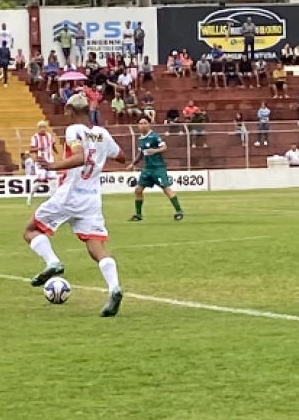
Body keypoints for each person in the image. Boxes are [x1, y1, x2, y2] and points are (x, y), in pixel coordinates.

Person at [23, 94, 129, 317]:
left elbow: (80, 157)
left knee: (31, 230)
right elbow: (121, 157)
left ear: (71, 111)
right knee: (96, 249)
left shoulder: (73, 130)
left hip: (69, 194)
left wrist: (53, 166)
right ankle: (114, 288)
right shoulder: (103, 134)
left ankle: (53, 262)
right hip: (91, 199)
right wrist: (101, 153)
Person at [126, 117, 185, 222]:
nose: (142, 125)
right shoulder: (140, 139)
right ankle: (138, 215)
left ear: (149, 125)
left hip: (158, 168)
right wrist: (132, 164)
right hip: (147, 169)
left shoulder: (154, 136)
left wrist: (154, 150)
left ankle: (179, 211)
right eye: (140, 123)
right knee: (138, 190)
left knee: (166, 189)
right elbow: (141, 153)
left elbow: (164, 147)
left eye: (145, 123)